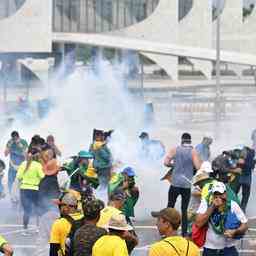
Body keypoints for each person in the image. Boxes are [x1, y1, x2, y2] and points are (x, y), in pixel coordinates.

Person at [195, 182, 248, 256]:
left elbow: (245, 225)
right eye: (216, 195)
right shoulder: (206, 202)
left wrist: (235, 231)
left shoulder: (232, 204)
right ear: (212, 195)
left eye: (220, 194)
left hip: (229, 248)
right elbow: (198, 223)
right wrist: (212, 206)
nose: (218, 197)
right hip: (210, 249)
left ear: (225, 194)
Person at [164, 133, 201, 236]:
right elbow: (198, 167)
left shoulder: (175, 149)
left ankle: (166, 229)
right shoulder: (193, 151)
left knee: (170, 206)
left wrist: (174, 165)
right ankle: (184, 232)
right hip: (186, 184)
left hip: (175, 183)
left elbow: (166, 162)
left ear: (182, 140)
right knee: (184, 210)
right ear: (190, 141)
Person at [17, 148, 45, 235]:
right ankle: (37, 228)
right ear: (37, 156)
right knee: (37, 209)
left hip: (24, 189)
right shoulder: (38, 165)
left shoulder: (23, 164)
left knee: (27, 210)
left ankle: (25, 230)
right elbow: (42, 176)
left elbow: (19, 177)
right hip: (35, 190)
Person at [4, 131, 28, 200]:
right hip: (12, 167)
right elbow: (5, 154)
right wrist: (9, 146)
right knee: (10, 182)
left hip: (21, 167)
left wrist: (20, 146)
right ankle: (11, 198)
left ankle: (22, 198)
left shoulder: (23, 142)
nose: (14, 139)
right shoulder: (10, 142)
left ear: (18, 137)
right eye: (13, 138)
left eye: (15, 138)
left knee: (21, 184)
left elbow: (26, 156)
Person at [39, 144, 60, 213]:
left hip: (44, 181)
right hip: (51, 180)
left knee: (43, 200)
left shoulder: (41, 159)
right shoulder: (53, 161)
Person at [235, 146, 255, 212]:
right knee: (246, 195)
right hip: (247, 178)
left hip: (239, 177)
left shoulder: (240, 154)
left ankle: (234, 208)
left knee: (234, 193)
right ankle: (242, 210)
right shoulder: (252, 155)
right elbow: (252, 166)